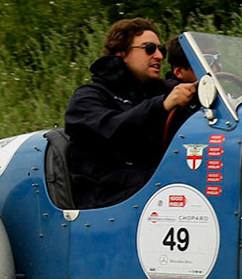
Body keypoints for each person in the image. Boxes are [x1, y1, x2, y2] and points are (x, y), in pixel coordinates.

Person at [64, 18, 198, 208]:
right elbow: (113, 130)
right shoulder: (87, 98)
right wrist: (162, 105)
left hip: (148, 188)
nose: (159, 56)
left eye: (161, 50)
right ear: (121, 53)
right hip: (106, 197)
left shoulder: (159, 90)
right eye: (149, 48)